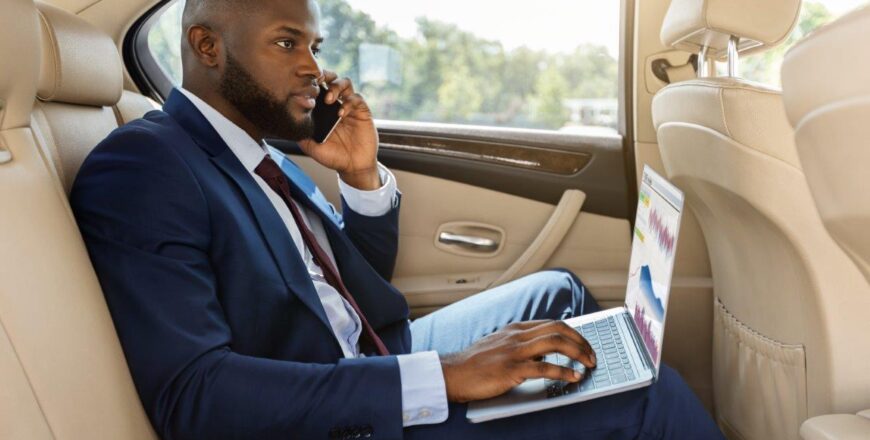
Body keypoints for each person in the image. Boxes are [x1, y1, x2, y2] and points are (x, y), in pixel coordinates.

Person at [70, 0, 724, 438]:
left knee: (560, 296)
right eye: (286, 42)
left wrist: (359, 176)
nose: (312, 66)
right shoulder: (145, 166)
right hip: (337, 409)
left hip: (372, 350)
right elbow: (195, 394)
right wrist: (445, 377)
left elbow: (341, 287)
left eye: (314, 44)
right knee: (648, 395)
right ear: (207, 45)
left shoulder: (260, 154)